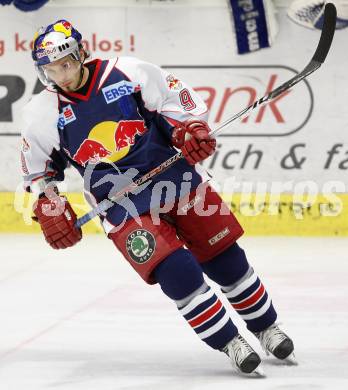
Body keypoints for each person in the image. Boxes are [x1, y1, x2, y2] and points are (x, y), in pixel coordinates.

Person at [21, 19, 295, 376]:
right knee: (177, 273)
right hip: (124, 208)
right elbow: (40, 173)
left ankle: (265, 327)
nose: (61, 75)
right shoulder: (42, 113)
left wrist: (188, 130)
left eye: (66, 64)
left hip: (177, 180)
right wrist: (50, 205)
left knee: (226, 262)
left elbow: (175, 104)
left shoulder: (127, 72)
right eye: (51, 69)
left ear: (81, 53)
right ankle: (230, 342)